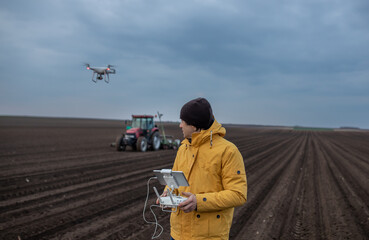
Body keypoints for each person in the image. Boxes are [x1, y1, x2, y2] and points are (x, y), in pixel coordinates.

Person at [158, 97, 247, 240]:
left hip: (208, 236)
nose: (180, 125)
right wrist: (167, 193)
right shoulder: (183, 148)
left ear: (193, 126)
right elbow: (173, 182)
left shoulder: (228, 151)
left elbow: (238, 195)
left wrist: (199, 202)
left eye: (183, 121)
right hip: (177, 235)